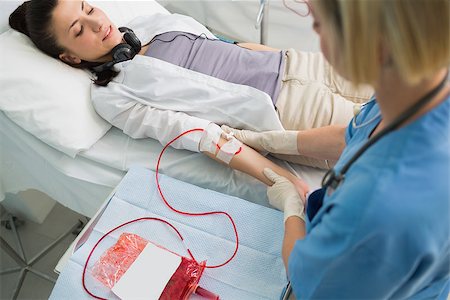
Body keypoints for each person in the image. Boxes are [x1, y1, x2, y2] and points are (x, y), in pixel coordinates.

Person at [224, 0, 450, 298]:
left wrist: (292, 210)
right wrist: (272, 139)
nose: (315, 32)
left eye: (318, 23)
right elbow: (357, 133)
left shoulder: (376, 209)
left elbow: (306, 279)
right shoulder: (421, 88)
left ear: (373, 43)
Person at [9, 0, 374, 180]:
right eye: (78, 30)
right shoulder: (114, 95)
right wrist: (281, 182)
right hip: (289, 110)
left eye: (88, 7)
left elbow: (226, 44)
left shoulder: (151, 22)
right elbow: (201, 136)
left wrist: (284, 55)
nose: (96, 21)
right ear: (70, 58)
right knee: (395, 143)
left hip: (301, 64)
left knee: (424, 103)